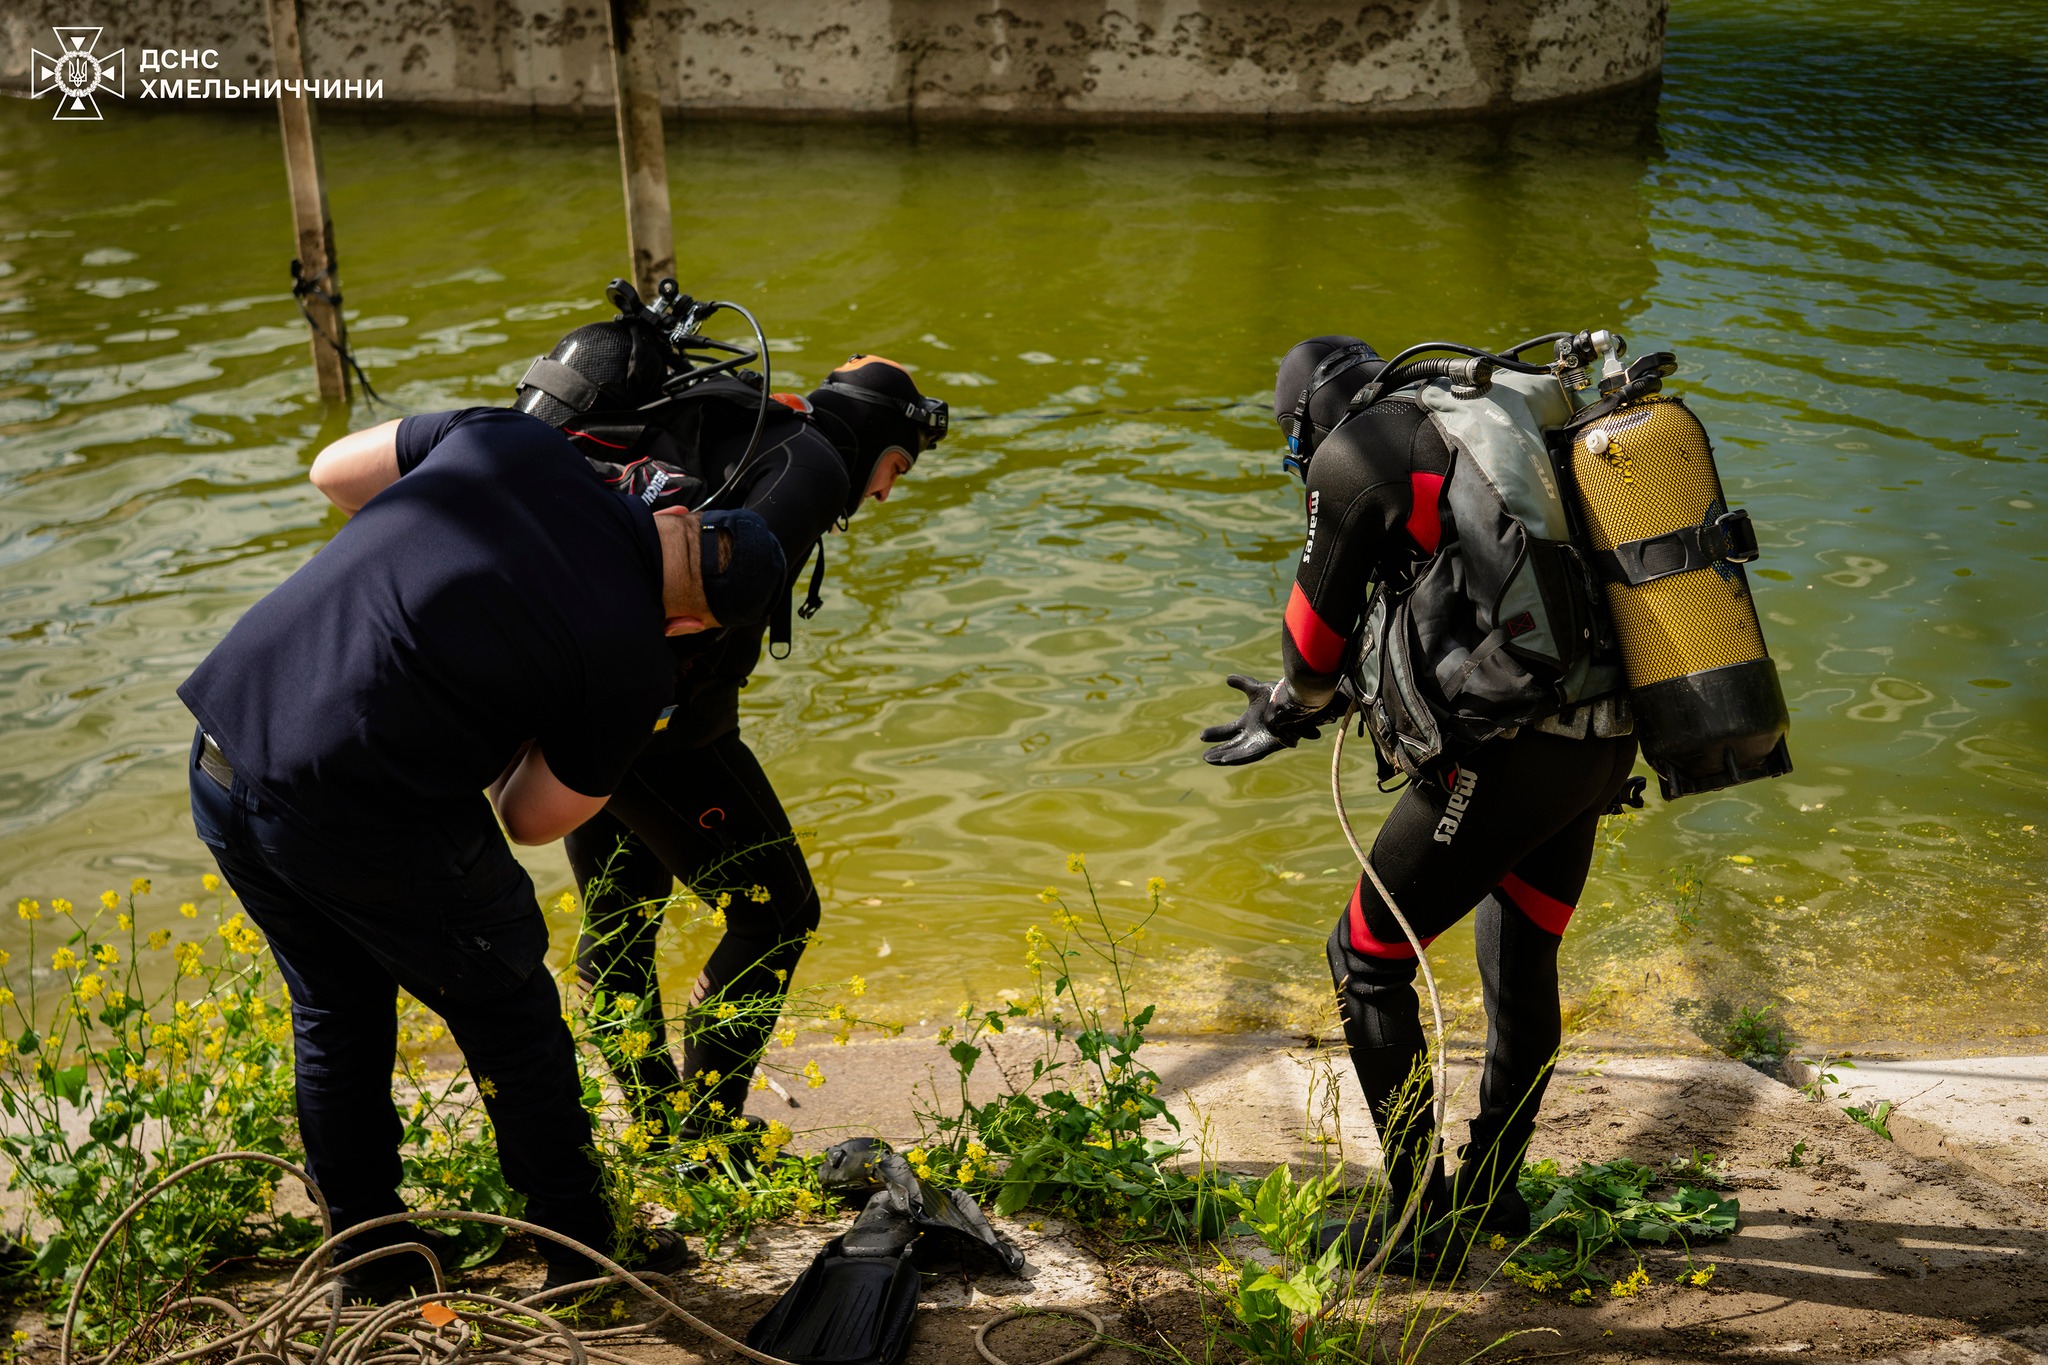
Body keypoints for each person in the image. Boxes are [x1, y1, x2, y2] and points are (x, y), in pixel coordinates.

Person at [179, 392, 785, 1298]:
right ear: (698, 623)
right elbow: (529, 817)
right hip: (358, 803)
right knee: (515, 1021)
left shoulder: (515, 440)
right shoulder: (634, 661)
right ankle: (580, 1260)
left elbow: (334, 472)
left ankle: (372, 1265)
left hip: (225, 750)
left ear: (680, 517)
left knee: (337, 1016)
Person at [1200, 335, 1640, 1277]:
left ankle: (1418, 1228)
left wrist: (1289, 707)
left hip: (1512, 759)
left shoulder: (1351, 453)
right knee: (1522, 960)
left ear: (1305, 422)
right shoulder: (1474, 420)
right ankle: (1490, 1194)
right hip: (1603, 741)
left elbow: (1312, 639)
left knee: (1364, 959)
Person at [509, 329, 947, 1138]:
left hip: (581, 703)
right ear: (878, 438)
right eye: (898, 467)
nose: (885, 492)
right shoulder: (813, 464)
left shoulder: (747, 430)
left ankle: (657, 1124)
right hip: (659, 727)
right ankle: (704, 1135)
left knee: (621, 924)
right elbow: (707, 586)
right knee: (776, 913)